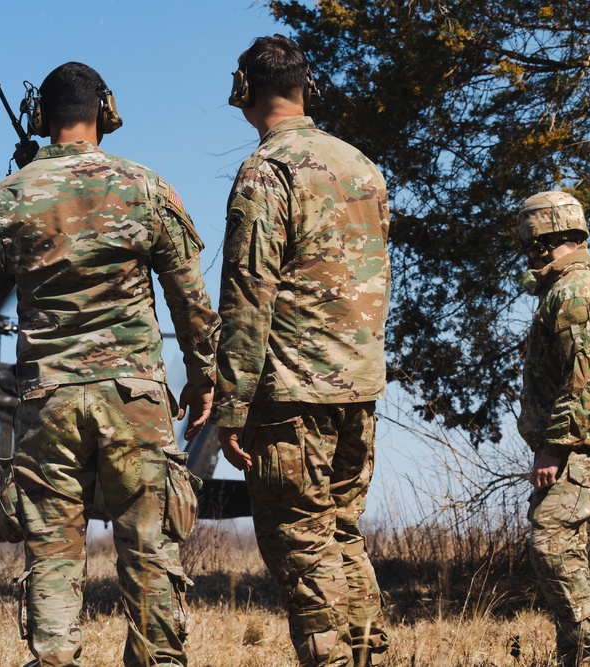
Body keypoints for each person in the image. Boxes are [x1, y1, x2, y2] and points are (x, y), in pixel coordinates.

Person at [0, 61, 219, 667]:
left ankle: (53, 657)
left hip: (48, 401)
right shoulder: (145, 186)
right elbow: (190, 299)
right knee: (151, 544)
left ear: (41, 118)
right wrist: (206, 380)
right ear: (105, 112)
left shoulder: (11, 196)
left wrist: (19, 183)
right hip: (134, 400)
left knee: (50, 545)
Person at [210, 35, 391, 667]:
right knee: (342, 535)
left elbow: (246, 294)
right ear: (303, 85)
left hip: (293, 397)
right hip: (360, 390)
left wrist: (230, 407)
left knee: (301, 546)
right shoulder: (362, 165)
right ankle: (368, 653)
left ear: (244, 91)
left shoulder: (268, 170)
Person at [517, 191, 590, 666]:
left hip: (574, 446)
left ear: (543, 237)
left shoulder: (575, 291)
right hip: (570, 442)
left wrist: (554, 448)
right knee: (561, 546)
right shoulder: (566, 290)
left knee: (550, 541)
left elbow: (584, 383)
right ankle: (580, 654)